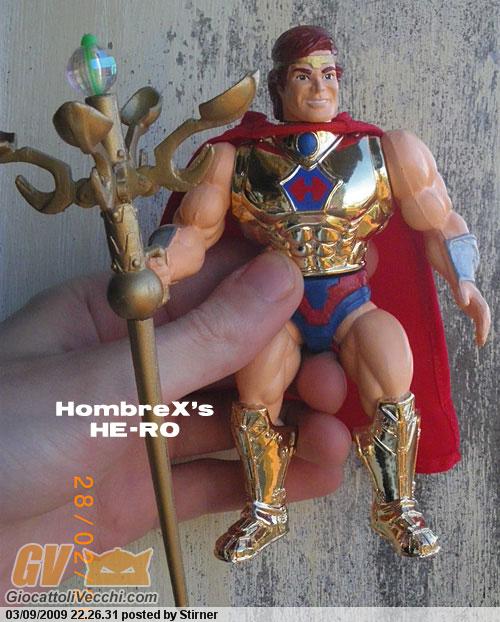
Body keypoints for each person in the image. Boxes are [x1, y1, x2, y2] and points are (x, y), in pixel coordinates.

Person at [148, 25, 490, 563]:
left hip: (351, 302)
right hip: (279, 309)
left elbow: (439, 220)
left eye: (329, 74)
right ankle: (265, 510)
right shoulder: (236, 157)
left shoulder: (384, 150)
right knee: (255, 395)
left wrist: (463, 280)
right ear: (279, 86)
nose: (319, 87)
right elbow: (194, 233)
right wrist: (157, 268)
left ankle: (396, 505)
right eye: (304, 76)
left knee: (393, 375)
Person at [0, 247, 352, 598]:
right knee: (254, 408)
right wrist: (164, 266)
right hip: (285, 317)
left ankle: (385, 498)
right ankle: (267, 511)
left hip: (348, 295)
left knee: (358, 390)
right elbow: (196, 233)